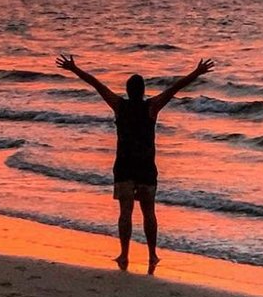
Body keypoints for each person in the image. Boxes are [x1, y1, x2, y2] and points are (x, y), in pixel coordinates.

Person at [55, 54, 214, 274]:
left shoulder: (119, 106)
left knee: (125, 212)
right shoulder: (152, 107)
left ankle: (124, 253)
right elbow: (174, 88)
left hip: (124, 166)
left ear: (128, 91)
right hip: (146, 167)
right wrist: (196, 73)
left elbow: (96, 85)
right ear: (143, 91)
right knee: (149, 212)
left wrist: (74, 69)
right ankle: (152, 254)